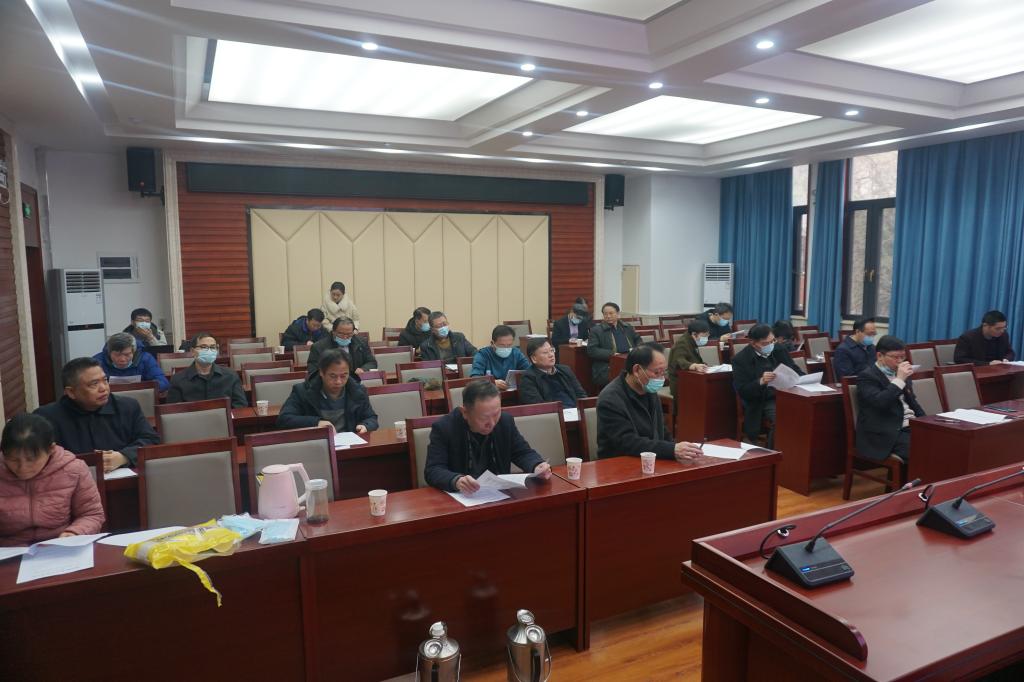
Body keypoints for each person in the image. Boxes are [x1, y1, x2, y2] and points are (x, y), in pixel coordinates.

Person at [423, 379, 552, 493]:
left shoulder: (505, 421)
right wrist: (456, 480)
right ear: (465, 412)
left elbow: (521, 452)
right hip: (462, 498)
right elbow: (433, 469)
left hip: (500, 494)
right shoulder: (445, 428)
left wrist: (536, 465)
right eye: (484, 418)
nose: (492, 423)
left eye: (496, 414)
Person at [35, 357, 160, 472]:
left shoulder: (127, 407)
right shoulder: (47, 418)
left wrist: (124, 456)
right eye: (94, 384)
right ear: (71, 392)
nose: (103, 388)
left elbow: (151, 440)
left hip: (123, 480)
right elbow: (41, 458)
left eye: (105, 380)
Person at [0, 413, 105, 547]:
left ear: (51, 449)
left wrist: (74, 533)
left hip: (60, 546)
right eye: (13, 459)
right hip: (9, 550)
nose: (22, 467)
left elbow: (92, 514)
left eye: (31, 459)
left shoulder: (73, 470)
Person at [596, 343, 702, 460]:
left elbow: (661, 430)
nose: (661, 378)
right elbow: (628, 442)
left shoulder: (648, 389)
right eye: (657, 372)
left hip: (651, 458)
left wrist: (677, 449)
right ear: (637, 370)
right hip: (620, 462)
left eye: (664, 372)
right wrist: (671, 449)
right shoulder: (610, 399)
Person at [856, 335, 924, 463]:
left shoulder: (900, 373)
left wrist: (926, 422)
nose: (900, 361)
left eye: (902, 357)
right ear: (880, 356)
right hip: (885, 431)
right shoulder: (867, 376)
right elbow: (881, 402)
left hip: (909, 424)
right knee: (923, 449)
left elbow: (912, 402)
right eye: (895, 357)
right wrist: (899, 380)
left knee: (942, 440)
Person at [732, 324, 803, 447]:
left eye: (772, 341)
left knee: (808, 411)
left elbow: (794, 369)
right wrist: (761, 381)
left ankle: (798, 451)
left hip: (788, 393)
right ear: (753, 343)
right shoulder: (741, 359)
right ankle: (774, 453)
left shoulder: (779, 349)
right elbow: (743, 390)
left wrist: (804, 379)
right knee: (783, 418)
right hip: (764, 399)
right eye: (765, 343)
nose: (771, 345)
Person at [277, 348, 379, 433]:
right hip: (317, 444)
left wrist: (365, 426)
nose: (338, 381)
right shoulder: (302, 391)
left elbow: (371, 418)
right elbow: (284, 419)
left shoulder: (358, 391)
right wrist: (316, 422)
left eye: (344, 376)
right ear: (321, 372)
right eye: (333, 376)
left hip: (350, 445)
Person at [166, 332, 247, 407]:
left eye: (212, 347)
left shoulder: (231, 376)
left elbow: (240, 406)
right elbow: (173, 411)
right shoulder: (178, 380)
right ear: (192, 351)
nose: (209, 351)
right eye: (203, 347)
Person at [518, 338, 587, 407]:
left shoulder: (565, 370)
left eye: (551, 350)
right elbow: (539, 406)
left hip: (576, 410)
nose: (551, 355)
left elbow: (581, 395)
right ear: (534, 358)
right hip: (553, 413)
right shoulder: (528, 379)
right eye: (545, 352)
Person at [92, 332, 169, 392]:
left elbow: (163, 383)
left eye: (127, 354)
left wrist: (142, 388)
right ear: (109, 353)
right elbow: (90, 387)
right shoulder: (97, 362)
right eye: (117, 355)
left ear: (134, 352)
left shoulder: (145, 359)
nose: (122, 359)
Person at [587, 302, 641, 387]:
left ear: (618, 314)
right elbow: (592, 350)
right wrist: (612, 354)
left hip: (629, 362)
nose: (608, 316)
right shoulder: (596, 330)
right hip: (608, 366)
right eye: (605, 314)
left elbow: (638, 340)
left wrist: (636, 351)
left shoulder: (627, 327)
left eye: (611, 313)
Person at [306, 317, 377, 378]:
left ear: (353, 332)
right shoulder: (318, 347)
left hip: (356, 381)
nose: (345, 337)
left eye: (349, 334)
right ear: (333, 332)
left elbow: (371, 362)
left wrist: (363, 369)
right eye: (341, 334)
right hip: (331, 383)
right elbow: (313, 371)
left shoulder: (361, 343)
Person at [667, 319, 711, 399]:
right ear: (694, 334)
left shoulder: (691, 340)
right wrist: (694, 366)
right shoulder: (682, 343)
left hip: (691, 378)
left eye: (708, 335)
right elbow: (679, 361)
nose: (706, 338)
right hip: (680, 382)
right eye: (704, 335)